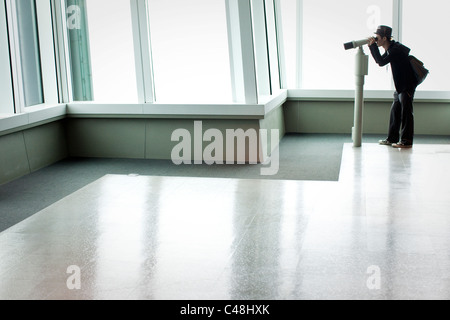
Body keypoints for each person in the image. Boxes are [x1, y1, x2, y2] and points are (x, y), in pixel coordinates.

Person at [368, 25, 418, 149]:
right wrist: (373, 46)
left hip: (406, 86)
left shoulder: (395, 50)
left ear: (384, 38)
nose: (376, 39)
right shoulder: (391, 49)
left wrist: (372, 46)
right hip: (400, 86)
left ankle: (406, 141)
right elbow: (381, 60)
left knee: (406, 113)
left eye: (377, 37)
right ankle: (392, 138)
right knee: (395, 112)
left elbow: (380, 62)